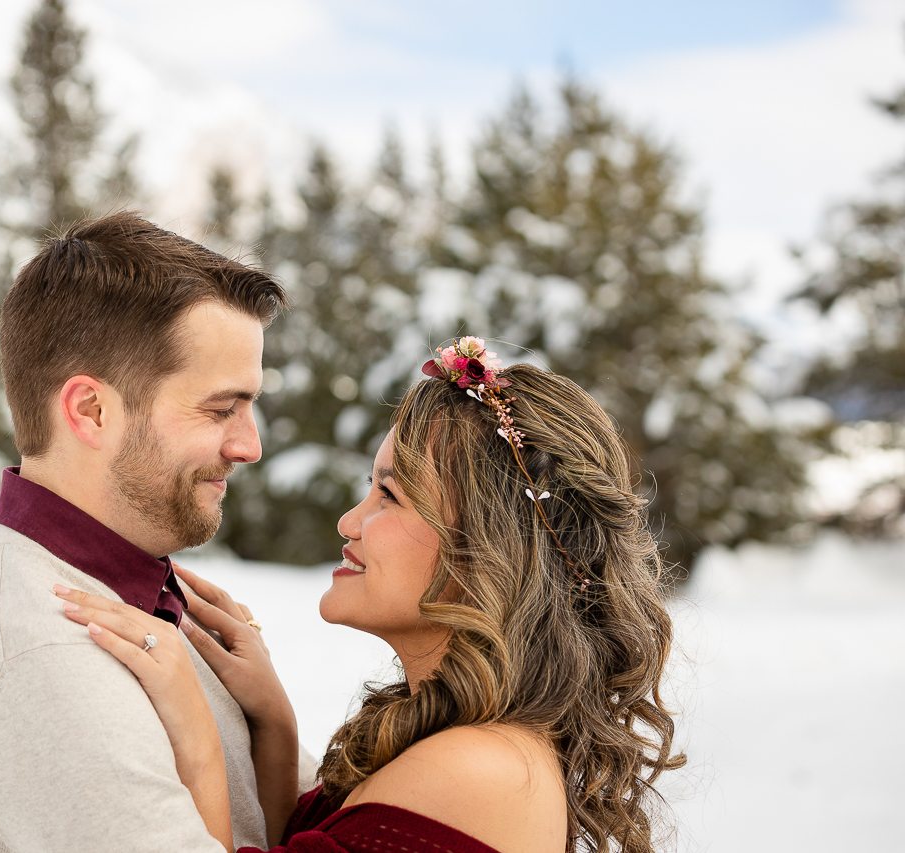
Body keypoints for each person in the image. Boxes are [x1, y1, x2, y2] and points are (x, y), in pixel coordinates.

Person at [56, 336, 686, 853]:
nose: (350, 522)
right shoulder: (462, 740)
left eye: (390, 494)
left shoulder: (480, 769)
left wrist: (195, 733)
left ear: (486, 551)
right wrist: (273, 721)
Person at [0, 211, 314, 852]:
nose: (250, 446)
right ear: (91, 411)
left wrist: (273, 728)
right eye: (220, 408)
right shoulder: (50, 662)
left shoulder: (140, 600)